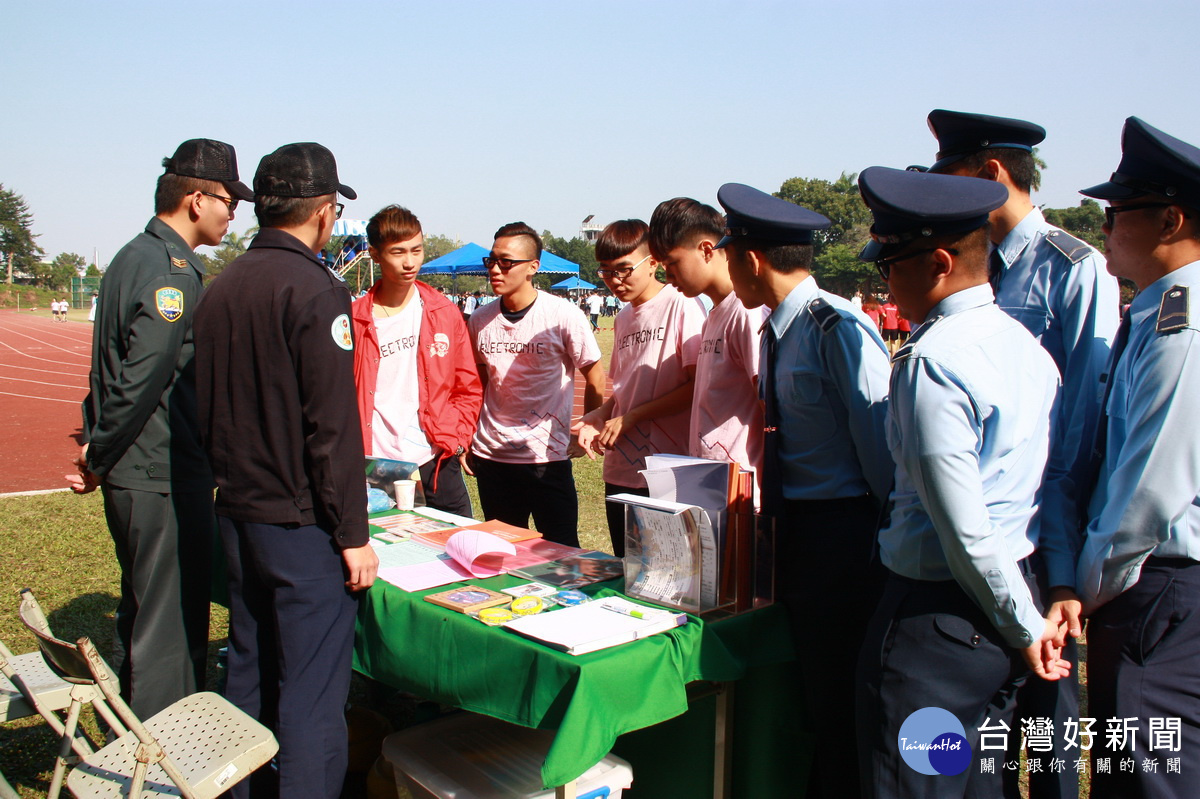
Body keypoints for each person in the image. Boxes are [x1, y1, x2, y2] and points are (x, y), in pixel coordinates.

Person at [853, 166, 1071, 799]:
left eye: (891, 266)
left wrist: (1024, 627)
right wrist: (1024, 618)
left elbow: (963, 529)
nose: (886, 281)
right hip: (1003, 607)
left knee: (918, 784)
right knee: (979, 784)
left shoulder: (933, 362)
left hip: (937, 626)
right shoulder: (1023, 345)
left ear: (939, 262)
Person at [924, 110, 1120, 799]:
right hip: (974, 538)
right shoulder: (960, 259)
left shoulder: (1074, 268)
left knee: (1051, 727)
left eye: (948, 178)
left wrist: (1065, 565)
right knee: (983, 734)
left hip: (1041, 539)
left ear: (989, 173)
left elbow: (1084, 428)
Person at [193, 142, 377, 799]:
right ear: (326, 212)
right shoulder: (318, 290)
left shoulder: (221, 287)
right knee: (312, 696)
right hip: (300, 525)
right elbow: (331, 427)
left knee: (246, 666)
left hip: (239, 513)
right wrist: (353, 533)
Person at [716, 182, 892, 799]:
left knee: (840, 687)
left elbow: (880, 450)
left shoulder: (836, 328)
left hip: (843, 535)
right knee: (808, 680)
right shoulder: (776, 330)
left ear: (751, 260)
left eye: (728, 252)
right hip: (794, 526)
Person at [69, 138, 251, 718]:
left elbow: (109, 371)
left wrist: (99, 448)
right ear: (197, 200)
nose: (233, 213)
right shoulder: (171, 273)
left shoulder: (134, 255)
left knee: (146, 608)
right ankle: (162, 753)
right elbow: (141, 381)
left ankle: (135, 725)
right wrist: (99, 455)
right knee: (170, 625)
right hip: (160, 470)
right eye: (229, 201)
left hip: (140, 468)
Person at [1075, 118, 1200, 799]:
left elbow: (1149, 489)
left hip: (1158, 584)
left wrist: (1081, 588)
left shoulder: (1182, 325)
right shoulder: (1158, 313)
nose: (1106, 230)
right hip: (1151, 581)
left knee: (1152, 775)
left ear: (1171, 219)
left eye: (1117, 214)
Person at [469, 222, 605, 546]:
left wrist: (587, 428)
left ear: (533, 267)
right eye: (491, 261)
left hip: (546, 460)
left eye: (506, 262)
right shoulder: (479, 320)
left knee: (561, 557)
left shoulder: (563, 315)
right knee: (502, 553)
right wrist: (471, 437)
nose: (496, 270)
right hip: (493, 458)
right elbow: (480, 382)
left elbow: (595, 375)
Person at [573, 219, 704, 555]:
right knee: (626, 567)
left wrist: (630, 418)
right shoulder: (623, 318)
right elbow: (625, 391)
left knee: (668, 574)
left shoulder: (681, 304)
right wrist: (600, 414)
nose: (615, 281)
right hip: (621, 467)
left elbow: (696, 385)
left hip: (667, 470)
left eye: (624, 269)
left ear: (654, 263)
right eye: (605, 271)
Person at [351, 205, 482, 516]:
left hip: (435, 457)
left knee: (457, 546)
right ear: (375, 254)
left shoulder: (442, 311)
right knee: (389, 556)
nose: (410, 262)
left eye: (416, 250)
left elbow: (467, 386)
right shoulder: (354, 319)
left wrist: (458, 438)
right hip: (377, 463)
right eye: (398, 252)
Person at [649, 197, 766, 500]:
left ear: (705, 250)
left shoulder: (746, 312)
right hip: (712, 484)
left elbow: (770, 408)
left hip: (743, 491)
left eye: (672, 263)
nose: (668, 276)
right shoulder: (714, 314)